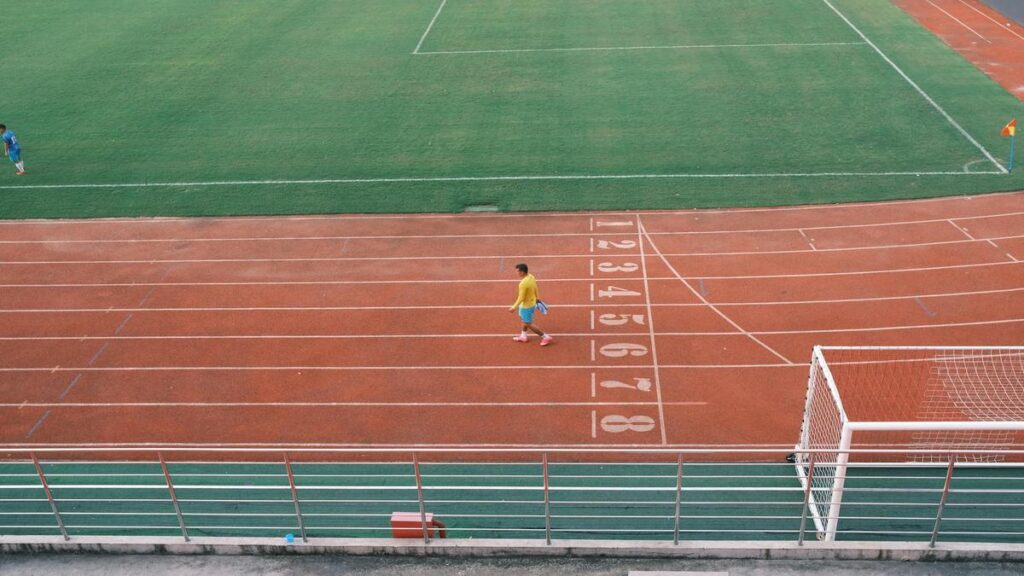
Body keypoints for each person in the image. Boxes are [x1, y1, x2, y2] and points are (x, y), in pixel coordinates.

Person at [509, 263, 553, 346]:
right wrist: (537, 297)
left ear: (522, 272)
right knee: (524, 320)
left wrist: (514, 307)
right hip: (532, 303)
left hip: (526, 306)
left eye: (517, 271)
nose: (516, 273)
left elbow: (521, 297)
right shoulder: (531, 276)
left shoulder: (523, 284)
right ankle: (523, 335)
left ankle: (545, 337)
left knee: (528, 323)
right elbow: (535, 287)